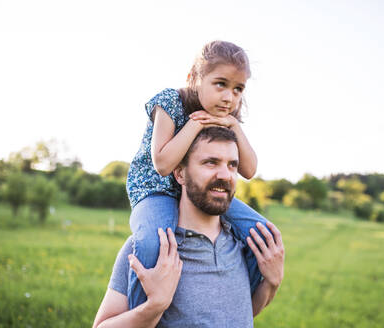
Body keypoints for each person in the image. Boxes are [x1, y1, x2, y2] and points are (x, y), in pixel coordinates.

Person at [125, 40, 271, 310]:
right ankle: (139, 313)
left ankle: (238, 305)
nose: (229, 97)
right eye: (221, 84)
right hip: (155, 189)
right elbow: (163, 164)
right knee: (149, 243)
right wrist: (194, 124)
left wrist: (235, 127)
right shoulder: (170, 101)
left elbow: (249, 170)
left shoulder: (226, 114)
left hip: (198, 188)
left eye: (238, 89)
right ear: (194, 78)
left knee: (263, 234)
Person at [93, 127, 285, 327]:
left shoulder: (246, 246)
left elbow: (242, 314)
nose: (225, 174)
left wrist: (271, 283)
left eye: (232, 165)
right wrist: (154, 306)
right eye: (211, 162)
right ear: (180, 174)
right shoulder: (150, 248)